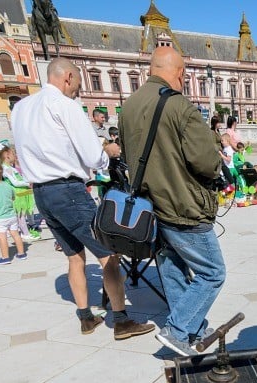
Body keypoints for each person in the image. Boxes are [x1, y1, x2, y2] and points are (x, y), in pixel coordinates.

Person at [12, 57, 154, 339]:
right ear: (67, 77)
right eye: (77, 82)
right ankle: (122, 320)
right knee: (108, 254)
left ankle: (86, 316)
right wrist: (108, 153)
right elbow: (93, 156)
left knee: (74, 257)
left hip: (41, 191)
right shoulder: (65, 105)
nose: (78, 89)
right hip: (68, 190)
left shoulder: (21, 108)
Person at [119, 44, 225, 356]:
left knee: (173, 268)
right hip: (183, 205)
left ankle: (191, 330)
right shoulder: (179, 106)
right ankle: (178, 331)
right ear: (179, 73)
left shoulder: (129, 106)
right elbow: (207, 162)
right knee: (212, 272)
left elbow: (128, 157)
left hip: (150, 208)